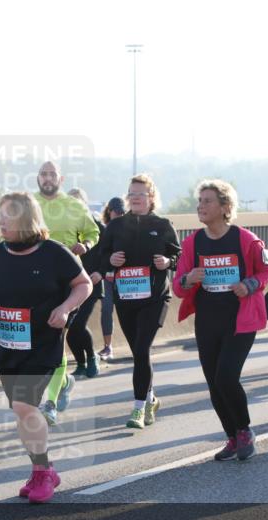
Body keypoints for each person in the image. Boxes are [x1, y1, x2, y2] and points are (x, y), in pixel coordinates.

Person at [0, 193, 90, 503]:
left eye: (7, 216)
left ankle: (43, 473)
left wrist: (65, 309)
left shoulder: (54, 253)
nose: (0, 221)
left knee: (24, 407)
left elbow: (84, 284)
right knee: (21, 411)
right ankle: (42, 469)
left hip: (42, 343)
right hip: (9, 345)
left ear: (26, 218)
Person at [173, 180, 268, 461]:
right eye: (200, 201)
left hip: (240, 320)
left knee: (226, 376)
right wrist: (187, 278)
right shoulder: (193, 243)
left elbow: (267, 270)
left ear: (225, 206)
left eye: (208, 201)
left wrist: (250, 284)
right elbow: (178, 287)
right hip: (207, 320)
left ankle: (244, 430)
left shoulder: (246, 239)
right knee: (214, 384)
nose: (200, 206)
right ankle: (232, 437)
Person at [98, 174, 180, 429]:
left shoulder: (163, 224)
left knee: (142, 350)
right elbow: (99, 256)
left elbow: (178, 256)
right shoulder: (116, 226)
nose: (135, 198)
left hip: (155, 298)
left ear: (151, 197)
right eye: (131, 193)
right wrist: (110, 260)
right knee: (139, 355)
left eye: (140, 194)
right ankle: (151, 398)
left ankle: (137, 408)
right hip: (126, 299)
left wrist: (168, 263)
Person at [33, 162, 100, 424]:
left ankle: (49, 404)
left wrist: (85, 244)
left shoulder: (74, 205)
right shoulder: (28, 204)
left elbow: (94, 232)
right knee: (40, 343)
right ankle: (62, 384)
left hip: (68, 282)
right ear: (38, 178)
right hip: (34, 282)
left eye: (52, 174)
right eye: (43, 174)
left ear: (60, 178)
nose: (47, 178)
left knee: (57, 338)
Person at [66, 187, 104, 379]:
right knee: (70, 327)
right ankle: (81, 363)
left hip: (92, 283)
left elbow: (108, 251)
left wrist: (101, 271)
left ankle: (92, 358)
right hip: (70, 285)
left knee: (78, 324)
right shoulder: (65, 227)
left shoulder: (96, 225)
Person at [97, 197, 126, 361]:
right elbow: (101, 254)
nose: (119, 214)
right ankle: (108, 346)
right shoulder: (103, 229)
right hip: (107, 278)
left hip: (126, 279)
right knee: (107, 309)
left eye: (122, 211)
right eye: (116, 211)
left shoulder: (129, 228)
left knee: (127, 310)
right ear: (109, 211)